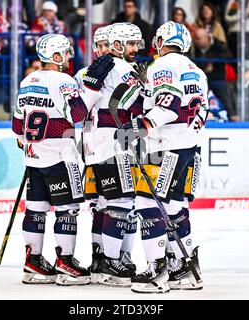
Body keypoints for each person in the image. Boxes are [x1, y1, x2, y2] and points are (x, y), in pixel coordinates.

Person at [11, 33, 115, 285]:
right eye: (66, 53)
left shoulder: (27, 81)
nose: (69, 57)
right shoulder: (64, 81)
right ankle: (65, 262)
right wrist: (90, 88)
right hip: (60, 157)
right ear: (55, 56)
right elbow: (77, 114)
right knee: (67, 210)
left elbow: (17, 126)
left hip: (34, 158)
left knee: (35, 210)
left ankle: (33, 262)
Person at [117, 21, 206, 293]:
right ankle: (184, 268)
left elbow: (168, 106)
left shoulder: (163, 66)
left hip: (165, 146)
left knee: (146, 204)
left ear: (160, 40)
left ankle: (156, 270)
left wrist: (137, 127)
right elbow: (200, 112)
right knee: (175, 205)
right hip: (190, 146)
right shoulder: (197, 71)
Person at [85, 22, 144, 287]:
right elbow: (141, 107)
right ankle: (112, 259)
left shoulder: (87, 73)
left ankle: (102, 259)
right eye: (131, 44)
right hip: (114, 144)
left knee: (104, 204)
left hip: (93, 145)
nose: (135, 49)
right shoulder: (122, 68)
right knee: (123, 202)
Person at [73, 24, 112, 283]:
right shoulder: (83, 73)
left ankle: (107, 257)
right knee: (101, 204)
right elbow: (76, 111)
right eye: (102, 45)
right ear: (96, 47)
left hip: (113, 146)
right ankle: (100, 257)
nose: (106, 50)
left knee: (111, 205)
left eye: (110, 44)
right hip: (93, 147)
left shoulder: (123, 70)